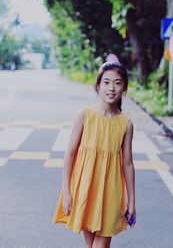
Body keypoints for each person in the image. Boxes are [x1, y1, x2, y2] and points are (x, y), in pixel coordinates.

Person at [53, 61, 136, 248]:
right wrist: (67, 192)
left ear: (124, 87)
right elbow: (70, 154)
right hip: (85, 188)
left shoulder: (126, 124)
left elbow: (128, 164)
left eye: (117, 82)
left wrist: (132, 201)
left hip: (110, 192)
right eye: (106, 82)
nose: (111, 88)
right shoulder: (84, 115)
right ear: (98, 85)